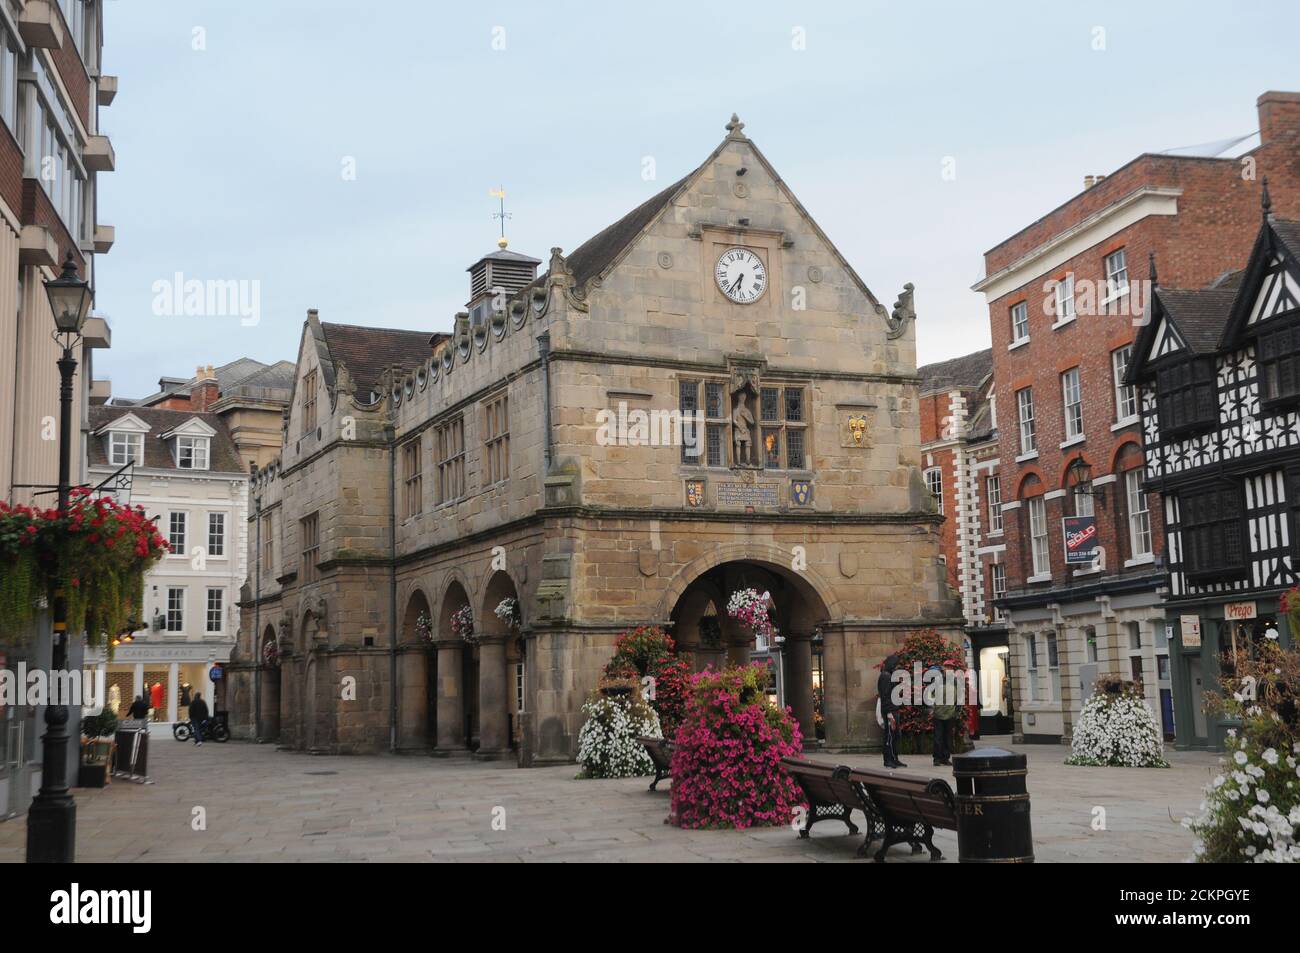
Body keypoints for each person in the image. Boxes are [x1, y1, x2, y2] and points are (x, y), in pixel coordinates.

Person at [877, 654, 907, 768]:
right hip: (890, 710)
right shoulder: (885, 676)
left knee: (895, 735)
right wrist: (889, 713)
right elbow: (885, 696)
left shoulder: (888, 675)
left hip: (893, 709)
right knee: (889, 735)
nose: (896, 667)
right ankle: (888, 759)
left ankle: (894, 758)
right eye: (895, 665)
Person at [928, 664, 956, 766]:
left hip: (945, 713)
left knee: (942, 737)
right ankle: (940, 758)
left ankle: (941, 758)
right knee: (942, 737)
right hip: (942, 713)